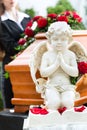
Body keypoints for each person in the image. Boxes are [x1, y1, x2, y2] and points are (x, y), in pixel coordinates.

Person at [30, 22, 79, 110]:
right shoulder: (47, 55)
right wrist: (56, 64)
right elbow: (43, 73)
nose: (59, 42)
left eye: (63, 39)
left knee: (68, 103)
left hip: (67, 86)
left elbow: (75, 73)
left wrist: (63, 64)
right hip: (51, 86)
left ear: (69, 40)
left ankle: (66, 120)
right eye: (55, 39)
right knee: (53, 103)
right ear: (49, 40)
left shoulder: (70, 54)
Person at [0, 0, 31, 108]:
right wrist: (28, 41)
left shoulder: (26, 18)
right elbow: (10, 46)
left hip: (29, 64)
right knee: (13, 105)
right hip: (11, 65)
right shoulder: (2, 21)